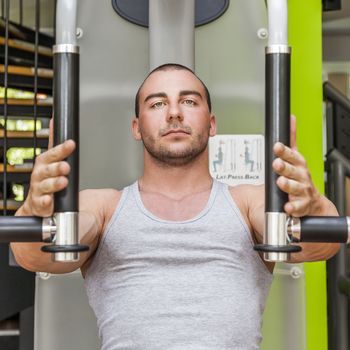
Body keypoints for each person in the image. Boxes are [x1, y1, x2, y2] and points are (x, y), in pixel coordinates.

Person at [11, 63, 339, 349]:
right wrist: (34, 209)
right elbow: (32, 254)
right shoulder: (104, 208)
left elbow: (320, 243)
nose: (174, 113)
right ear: (137, 128)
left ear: (211, 124)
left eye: (188, 100)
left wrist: (311, 204)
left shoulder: (247, 203)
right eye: (157, 103)